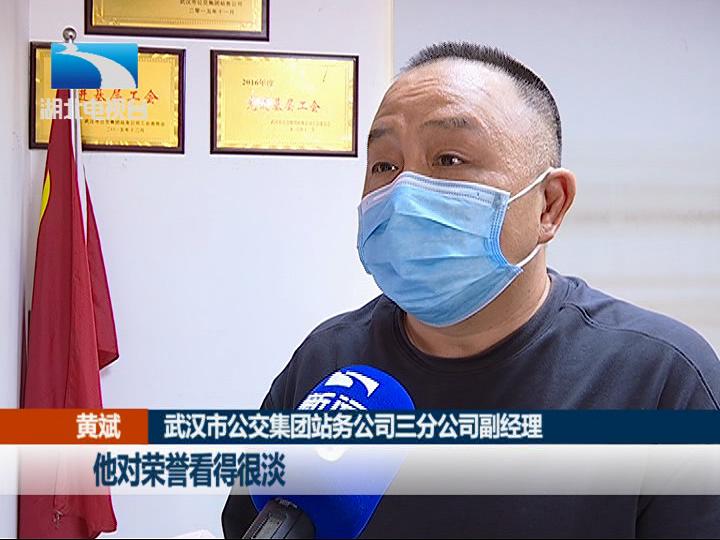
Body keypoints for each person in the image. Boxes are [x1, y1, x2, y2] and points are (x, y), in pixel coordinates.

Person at [222, 41, 720, 538]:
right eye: (384, 166)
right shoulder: (326, 364)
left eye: (449, 158)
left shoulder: (661, 381)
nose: (404, 192)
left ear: (549, 204)